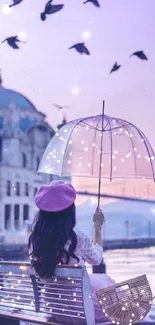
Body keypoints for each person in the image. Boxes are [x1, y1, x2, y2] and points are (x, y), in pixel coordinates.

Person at [28, 181, 152, 324]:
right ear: (70, 211)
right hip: (81, 309)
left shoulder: (36, 239)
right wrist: (97, 227)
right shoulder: (78, 237)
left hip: (55, 308)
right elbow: (97, 260)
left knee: (106, 285)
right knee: (129, 303)